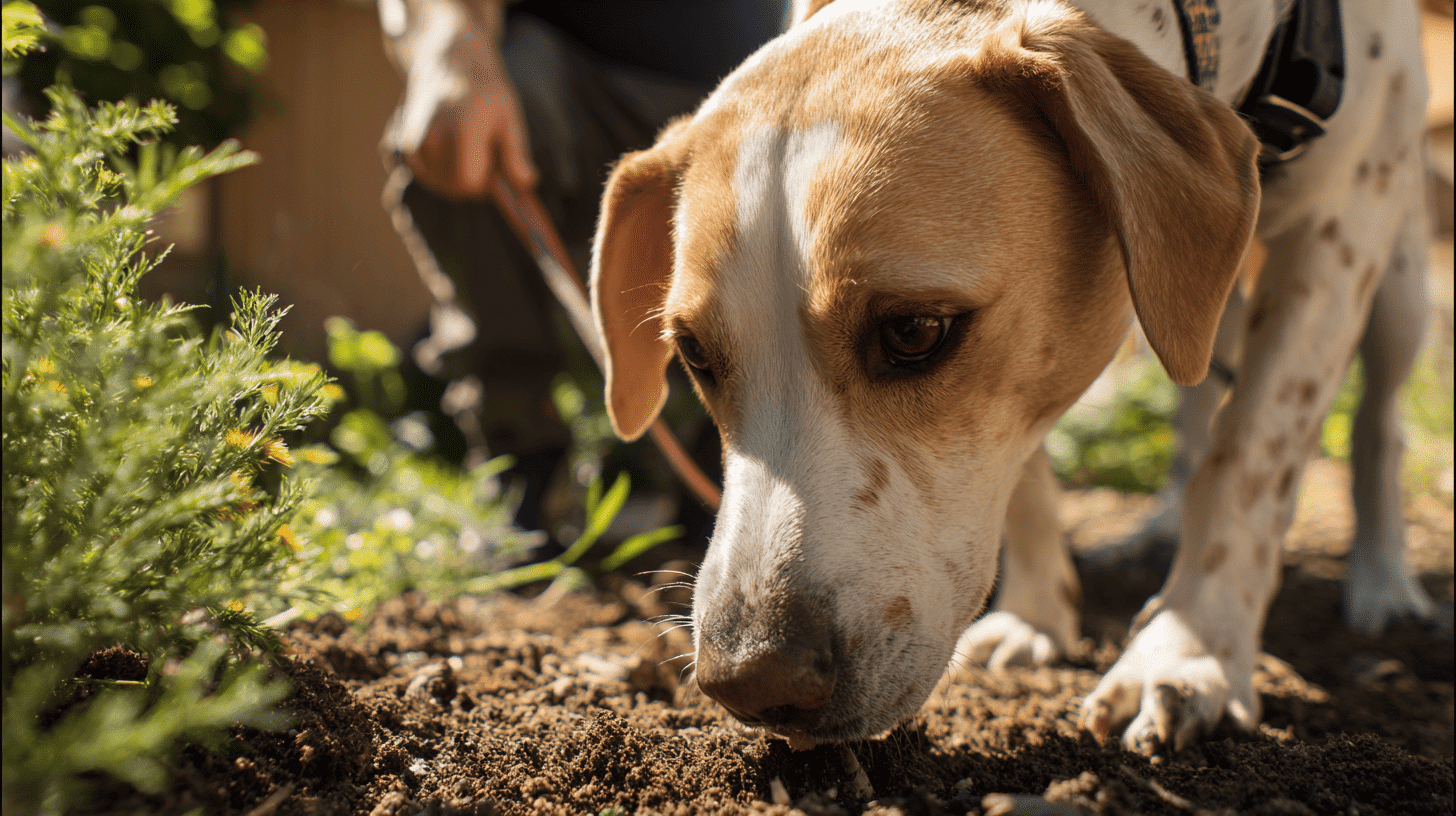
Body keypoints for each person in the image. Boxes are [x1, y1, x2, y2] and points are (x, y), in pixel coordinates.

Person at [377, 0, 783, 534]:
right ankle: (523, 472)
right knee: (472, 116)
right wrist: (447, 43)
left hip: (759, 96)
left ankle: (733, 466)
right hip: (556, 95)